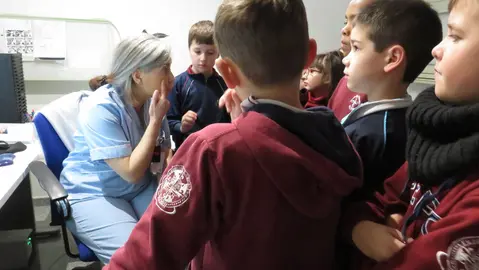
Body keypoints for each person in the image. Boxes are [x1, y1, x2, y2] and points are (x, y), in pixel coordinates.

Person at [105, 0, 362, 269]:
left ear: (225, 72)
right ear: (310, 54)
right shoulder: (337, 137)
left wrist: (240, 131)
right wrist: (245, 126)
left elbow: (148, 253)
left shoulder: (212, 150)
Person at [342, 0, 479, 268]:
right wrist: (361, 226)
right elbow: (385, 196)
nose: (436, 50)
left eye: (454, 35)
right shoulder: (436, 132)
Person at [59, 34, 173, 264]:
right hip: (94, 193)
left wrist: (170, 191)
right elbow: (130, 171)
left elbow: (160, 154)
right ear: (138, 74)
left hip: (139, 187)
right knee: (137, 261)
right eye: (164, 70)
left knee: (175, 242)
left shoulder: (152, 101)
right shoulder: (101, 108)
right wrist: (154, 122)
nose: (171, 78)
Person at [341, 0, 442, 199]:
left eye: (357, 47)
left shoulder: (380, 135)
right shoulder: (383, 119)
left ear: (392, 58)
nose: (346, 58)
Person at [167, 20, 229, 149]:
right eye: (197, 51)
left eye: (210, 53)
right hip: (187, 152)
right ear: (189, 50)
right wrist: (181, 126)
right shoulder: (177, 84)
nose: (203, 58)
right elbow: (168, 122)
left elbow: (230, 121)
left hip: (218, 151)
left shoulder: (224, 84)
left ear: (218, 53)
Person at [327, 0, 374, 120]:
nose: (344, 30)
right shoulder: (345, 80)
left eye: (355, 23)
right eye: (345, 21)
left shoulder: (378, 91)